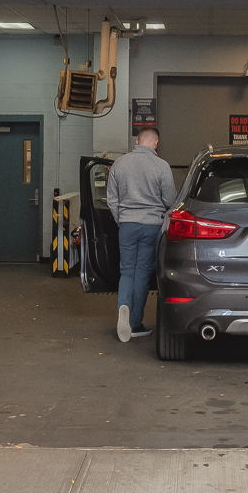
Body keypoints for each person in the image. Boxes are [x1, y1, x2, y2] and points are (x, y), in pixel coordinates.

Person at [106, 127, 177, 342]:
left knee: (126, 271)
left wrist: (122, 219)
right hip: (151, 225)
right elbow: (170, 200)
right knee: (143, 272)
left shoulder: (120, 163)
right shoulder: (161, 166)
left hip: (127, 224)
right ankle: (135, 322)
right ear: (156, 143)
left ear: (137, 141)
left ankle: (123, 306)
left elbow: (112, 199)